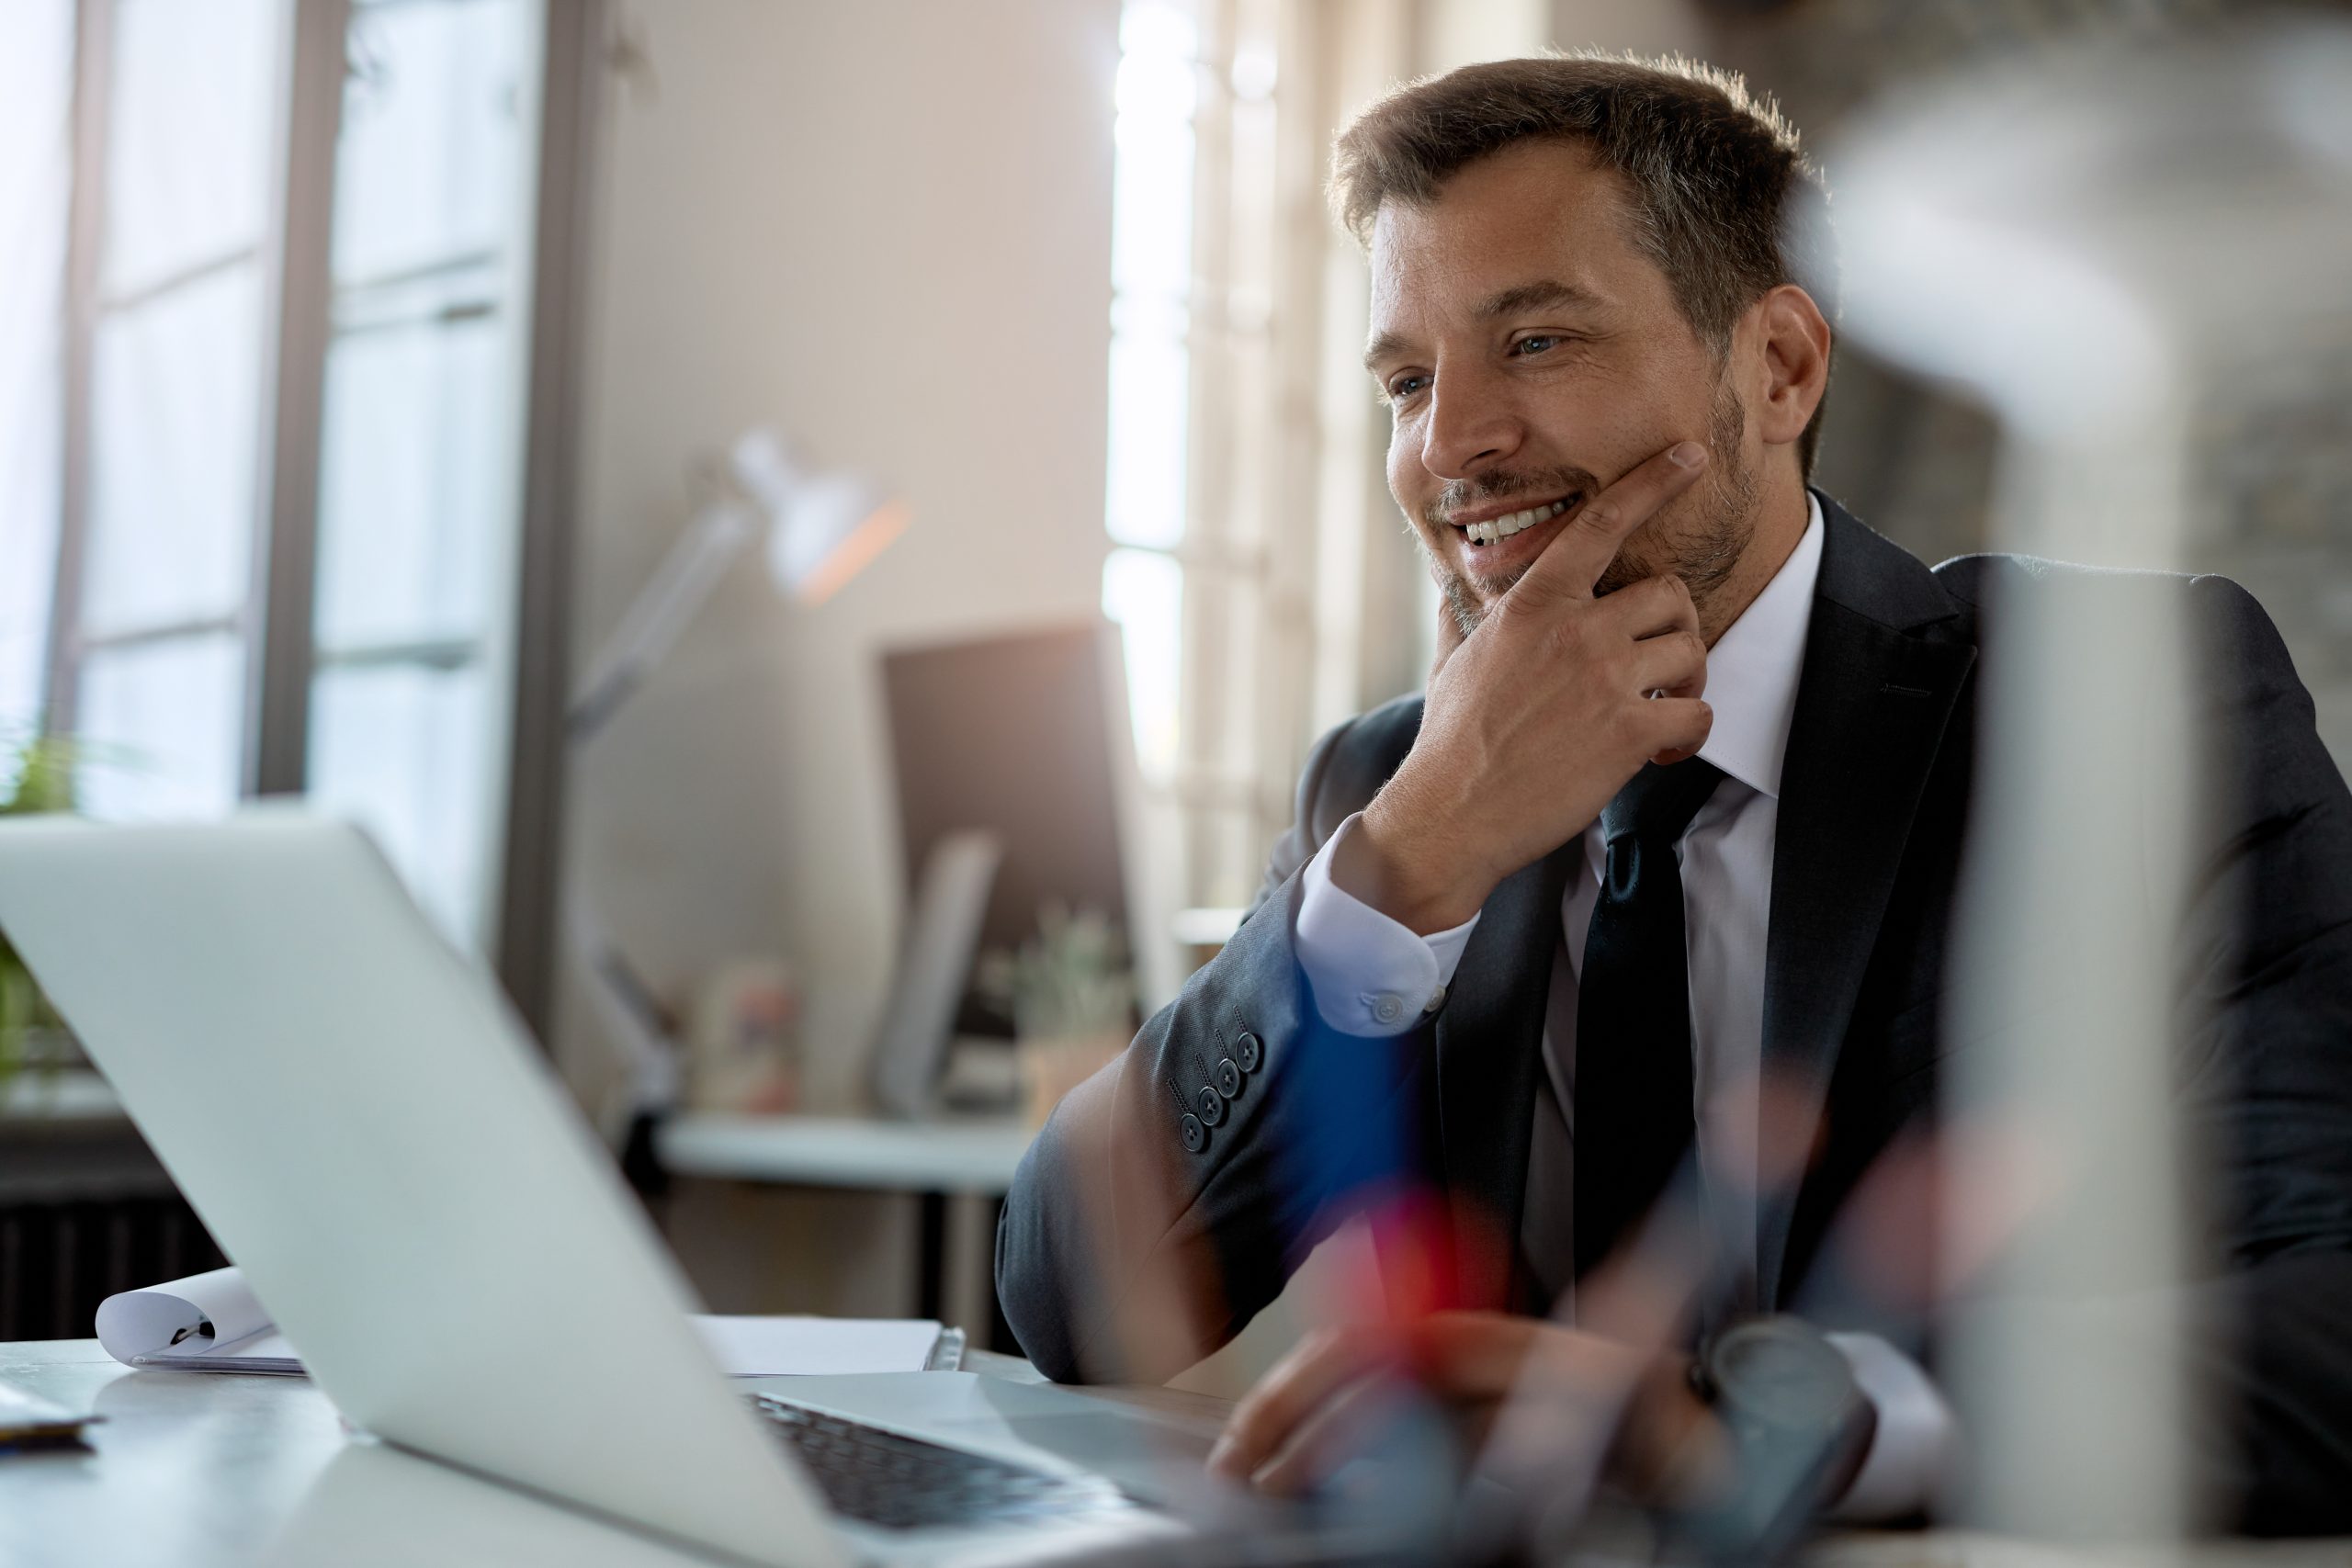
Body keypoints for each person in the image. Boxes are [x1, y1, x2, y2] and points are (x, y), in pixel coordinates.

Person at [998, 53, 2352, 1536]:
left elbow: (2326, 1310)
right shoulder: (1391, 786)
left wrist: (1757, 1423)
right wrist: (1406, 861)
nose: (1449, 445)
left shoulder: (2127, 705)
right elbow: (1064, 1295)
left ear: (1778, 369)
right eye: (1405, 380)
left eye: (1539, 342)